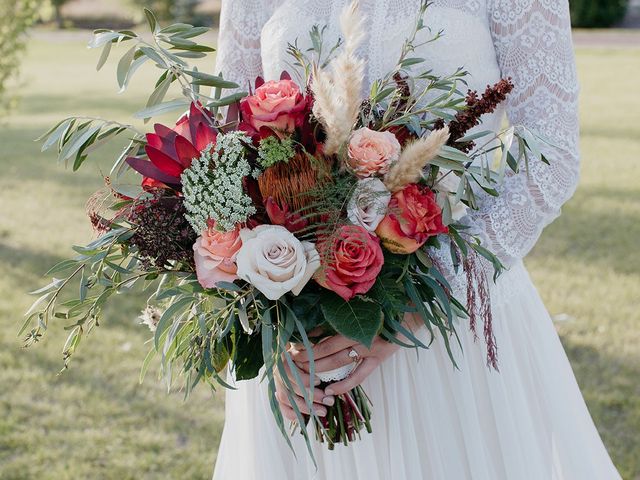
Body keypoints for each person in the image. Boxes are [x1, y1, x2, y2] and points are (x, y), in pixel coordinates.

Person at [212, 1, 622, 479]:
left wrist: (415, 304)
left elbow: (550, 151)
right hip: (301, 336)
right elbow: (225, 145)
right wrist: (272, 302)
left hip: (449, 329)